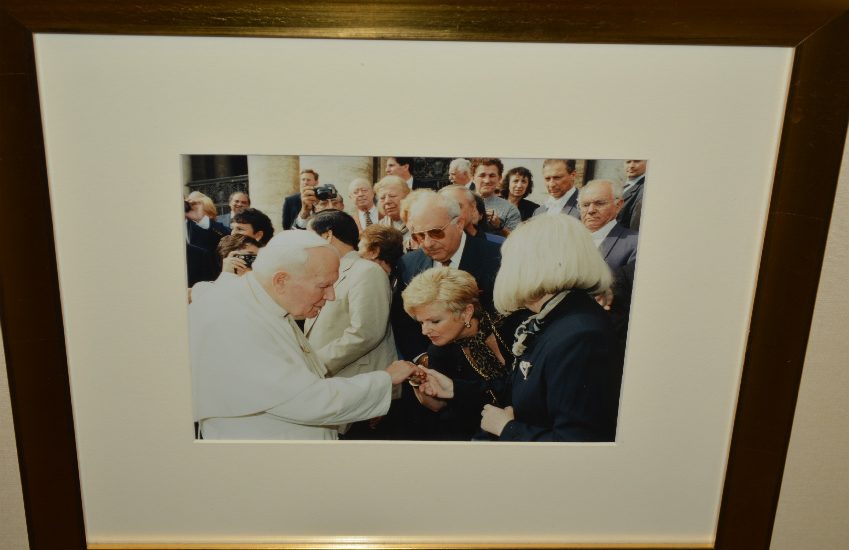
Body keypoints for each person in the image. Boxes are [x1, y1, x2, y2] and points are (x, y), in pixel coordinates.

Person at [190, 230, 415, 440]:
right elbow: (308, 400)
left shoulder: (257, 300)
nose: (331, 296)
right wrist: (385, 380)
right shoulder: (234, 319)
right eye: (323, 285)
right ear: (281, 281)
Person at [418, 214, 624, 442]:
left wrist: (506, 428)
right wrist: (454, 389)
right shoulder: (553, 319)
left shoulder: (579, 335)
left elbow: (578, 443)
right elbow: (522, 388)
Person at [304, 211, 398, 435]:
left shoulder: (367, 271)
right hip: (333, 389)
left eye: (309, 237)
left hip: (361, 389)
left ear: (327, 235)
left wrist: (316, 363)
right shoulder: (330, 272)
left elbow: (366, 332)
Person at [402, 267, 514, 440]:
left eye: (434, 321)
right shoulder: (440, 352)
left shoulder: (511, 325)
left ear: (466, 312)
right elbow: (442, 408)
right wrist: (419, 382)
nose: (424, 331)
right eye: (421, 322)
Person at [391, 190, 501, 361]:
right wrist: (422, 358)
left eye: (436, 233)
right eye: (419, 236)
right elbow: (403, 320)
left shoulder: (497, 259)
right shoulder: (408, 264)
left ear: (459, 224)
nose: (427, 243)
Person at [579, 179, 638, 271]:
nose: (591, 210)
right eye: (586, 205)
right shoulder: (569, 240)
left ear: (618, 205)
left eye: (599, 203)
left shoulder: (636, 243)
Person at [470, 157, 521, 234]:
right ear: (472, 177)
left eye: (492, 176)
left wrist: (499, 226)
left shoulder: (510, 210)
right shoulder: (460, 201)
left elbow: (517, 239)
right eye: (482, 175)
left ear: (499, 178)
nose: (487, 181)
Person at [374, 175, 412, 248]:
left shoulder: (419, 225)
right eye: (382, 198)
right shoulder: (379, 229)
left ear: (407, 197)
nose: (387, 201)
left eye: (392, 196)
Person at [618, 159, 647, 231]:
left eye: (637, 161)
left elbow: (634, 231)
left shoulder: (644, 190)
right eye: (628, 162)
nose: (631, 166)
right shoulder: (622, 186)